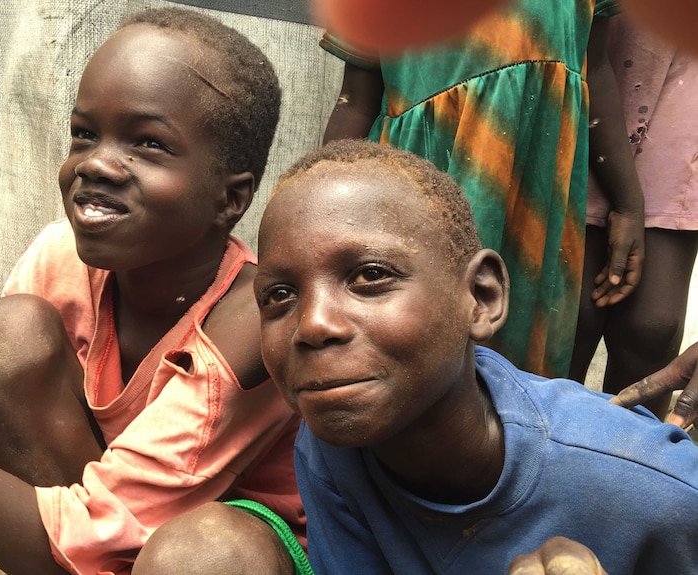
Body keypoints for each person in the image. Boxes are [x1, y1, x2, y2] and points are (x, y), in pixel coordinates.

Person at [0, 8, 307, 575]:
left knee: (203, 554)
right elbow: (28, 489)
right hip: (109, 521)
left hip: (226, 547)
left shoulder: (253, 323)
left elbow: (87, 535)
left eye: (150, 143)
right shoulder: (60, 258)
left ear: (230, 200)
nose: (97, 163)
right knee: (2, 337)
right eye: (84, 134)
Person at [252, 139, 698, 573]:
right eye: (280, 294)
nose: (312, 324)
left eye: (371, 275)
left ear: (481, 298)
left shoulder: (652, 485)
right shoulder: (332, 445)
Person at [319, 0, 645, 379]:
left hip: (536, 204)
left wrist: (628, 203)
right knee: (410, 356)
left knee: (519, 377)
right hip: (417, 192)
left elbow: (596, 67)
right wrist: (318, 220)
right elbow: (356, 100)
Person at [570, 13, 698, 420]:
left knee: (651, 327)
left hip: (684, 83)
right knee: (569, 318)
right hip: (575, 62)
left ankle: (629, 464)